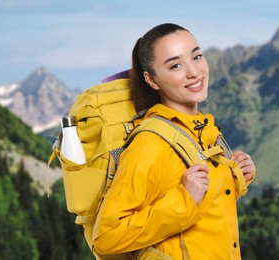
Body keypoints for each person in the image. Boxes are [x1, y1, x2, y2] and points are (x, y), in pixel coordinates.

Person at [92, 23, 256, 259]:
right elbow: (106, 237)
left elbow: (203, 209)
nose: (194, 72)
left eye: (197, 56)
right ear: (152, 80)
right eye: (176, 65)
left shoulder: (201, 130)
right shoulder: (150, 144)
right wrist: (184, 200)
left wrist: (236, 177)